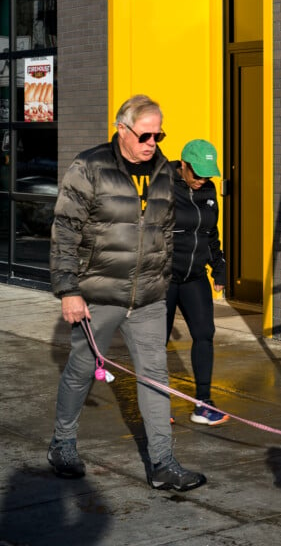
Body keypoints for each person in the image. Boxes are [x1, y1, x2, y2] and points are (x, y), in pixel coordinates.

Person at [48, 94, 205, 492]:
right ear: (122, 129)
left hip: (149, 297)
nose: (153, 142)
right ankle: (62, 443)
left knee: (155, 376)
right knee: (81, 370)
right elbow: (64, 231)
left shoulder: (165, 172)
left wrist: (162, 276)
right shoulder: (90, 166)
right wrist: (69, 290)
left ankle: (163, 464)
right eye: (145, 134)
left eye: (159, 134)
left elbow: (167, 229)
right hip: (97, 294)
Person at [167, 139, 229, 426]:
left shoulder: (208, 190)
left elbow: (210, 232)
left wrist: (220, 268)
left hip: (194, 276)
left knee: (204, 333)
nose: (201, 179)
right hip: (163, 277)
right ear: (183, 165)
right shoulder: (162, 185)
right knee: (156, 343)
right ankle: (157, 406)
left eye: (206, 174)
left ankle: (203, 403)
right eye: (197, 174)